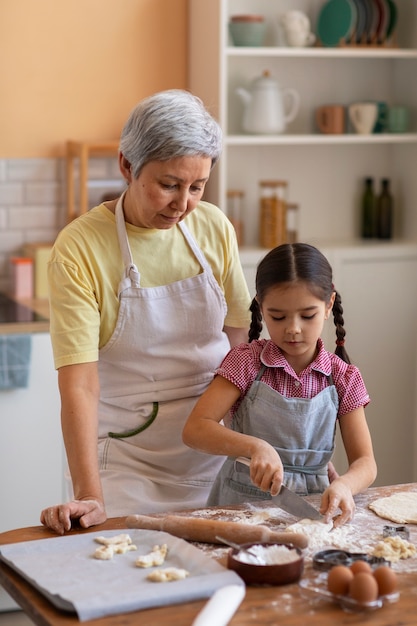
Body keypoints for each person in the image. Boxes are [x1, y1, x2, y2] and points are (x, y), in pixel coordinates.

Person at [40, 89, 251, 535]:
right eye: (169, 185)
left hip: (217, 452)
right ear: (126, 165)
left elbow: (242, 347)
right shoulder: (79, 250)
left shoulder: (213, 226)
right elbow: (80, 387)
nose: (183, 204)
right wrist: (90, 496)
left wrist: (287, 443)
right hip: (129, 467)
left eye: (197, 187)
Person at [182, 243, 377, 527]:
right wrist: (255, 447)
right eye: (278, 316)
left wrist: (346, 485)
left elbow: (365, 462)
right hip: (239, 511)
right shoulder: (245, 362)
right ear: (261, 307)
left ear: (329, 305)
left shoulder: (343, 377)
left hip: (313, 509)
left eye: (307, 315)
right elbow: (195, 429)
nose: (293, 328)